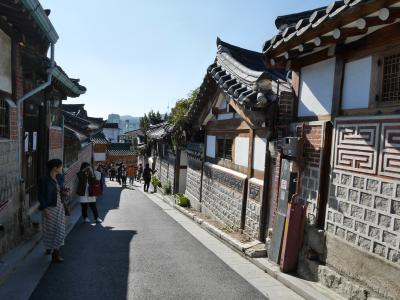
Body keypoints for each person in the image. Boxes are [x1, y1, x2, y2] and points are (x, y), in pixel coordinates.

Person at [38, 159, 66, 263]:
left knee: (60, 229)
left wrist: (65, 192)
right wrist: (44, 209)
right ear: (55, 167)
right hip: (49, 207)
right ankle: (49, 248)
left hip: (59, 206)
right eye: (60, 166)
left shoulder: (60, 177)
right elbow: (40, 195)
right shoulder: (44, 179)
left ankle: (56, 253)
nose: (61, 168)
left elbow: (61, 190)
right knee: (49, 230)